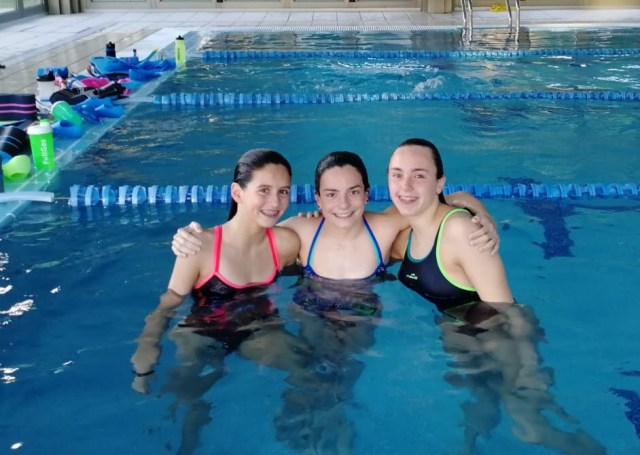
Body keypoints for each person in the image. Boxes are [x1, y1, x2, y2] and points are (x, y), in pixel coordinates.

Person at [130, 148, 312, 455]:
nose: (275, 202)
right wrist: (147, 345)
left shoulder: (285, 243)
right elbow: (168, 303)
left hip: (259, 329)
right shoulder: (199, 246)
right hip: (202, 334)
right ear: (237, 193)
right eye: (264, 190)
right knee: (190, 401)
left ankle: (298, 435)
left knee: (309, 368)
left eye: (283, 191)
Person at [388, 137, 514, 311]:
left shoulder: (463, 232)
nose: (405, 186)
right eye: (397, 175)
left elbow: (510, 313)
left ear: (439, 184)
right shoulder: (404, 235)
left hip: (489, 327)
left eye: (419, 176)